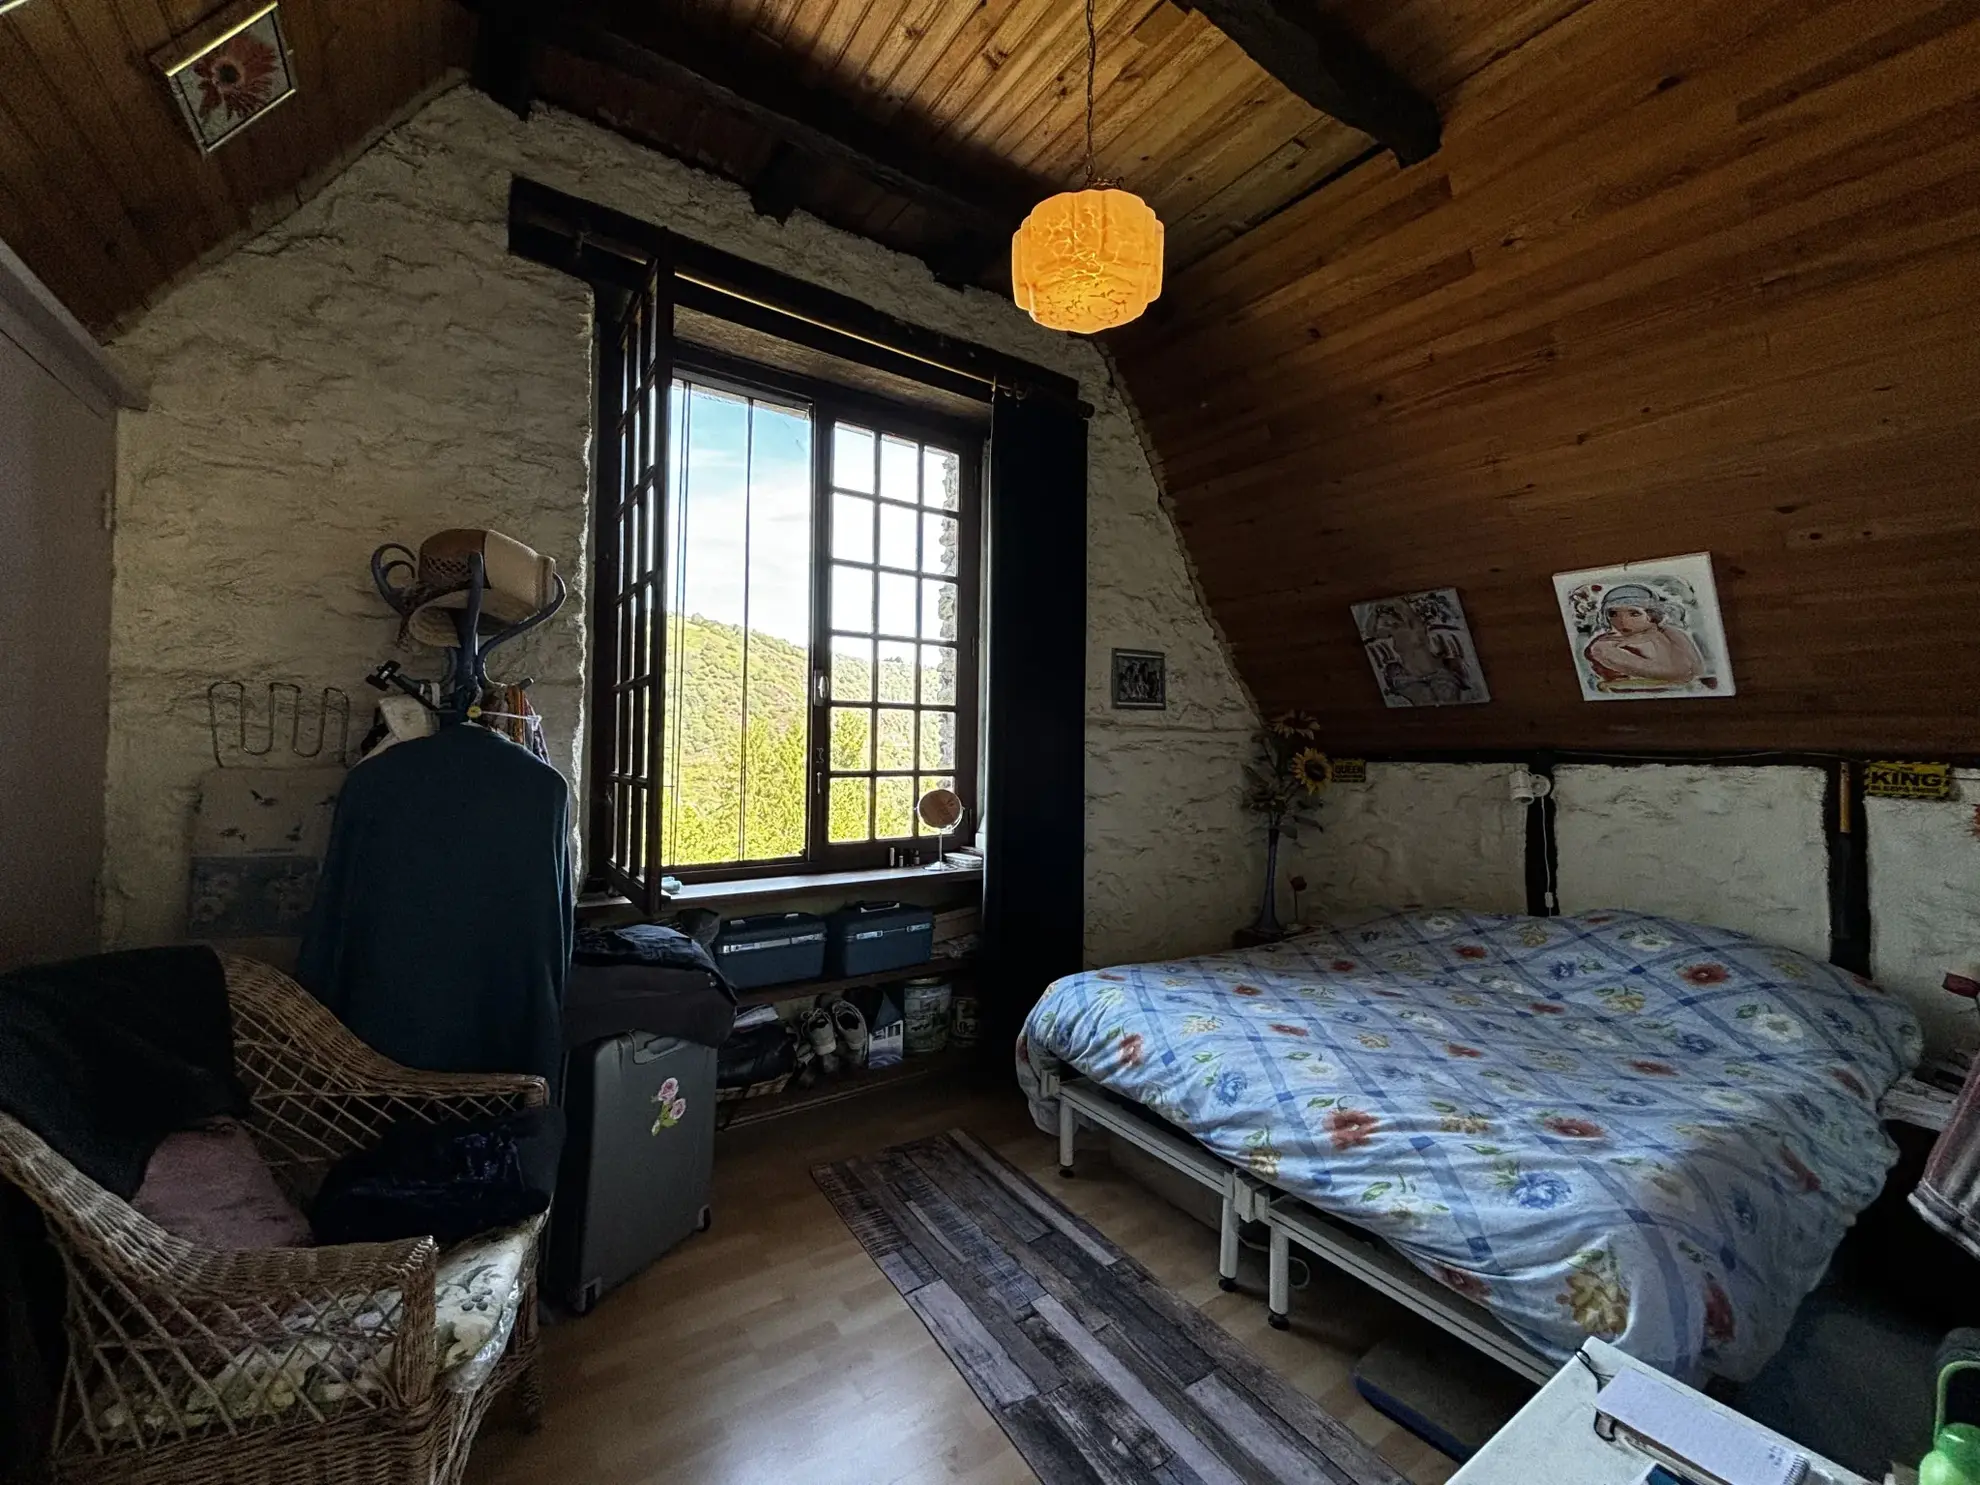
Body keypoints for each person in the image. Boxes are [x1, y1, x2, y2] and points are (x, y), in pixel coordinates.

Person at [1584, 583, 1705, 690]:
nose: (1622, 621)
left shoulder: (1671, 632)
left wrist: (1654, 636)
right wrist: (1655, 638)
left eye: (1634, 613)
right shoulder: (1603, 646)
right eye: (1613, 614)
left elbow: (1697, 671)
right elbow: (1678, 673)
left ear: (1652, 615)